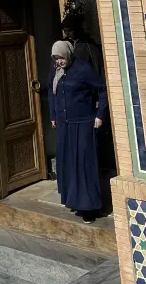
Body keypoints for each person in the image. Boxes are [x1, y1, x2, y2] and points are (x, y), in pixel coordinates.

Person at [48, 40, 107, 224]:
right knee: (69, 163)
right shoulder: (56, 71)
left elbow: (103, 89)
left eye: (61, 57)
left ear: (68, 54)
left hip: (83, 124)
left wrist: (100, 115)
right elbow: (51, 91)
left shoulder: (82, 69)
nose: (59, 61)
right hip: (64, 125)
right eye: (56, 58)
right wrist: (53, 115)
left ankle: (90, 207)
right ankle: (73, 200)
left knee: (84, 165)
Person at [61, 11, 103, 76]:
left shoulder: (87, 43)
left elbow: (96, 64)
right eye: (65, 31)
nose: (67, 33)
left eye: (69, 30)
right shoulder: (65, 43)